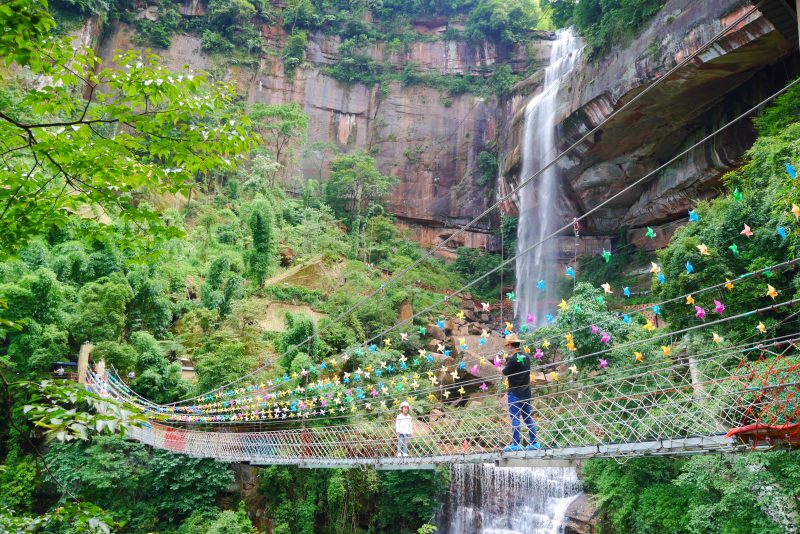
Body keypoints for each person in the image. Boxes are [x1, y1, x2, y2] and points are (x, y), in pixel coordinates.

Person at [501, 334, 540, 452]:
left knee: (515, 418)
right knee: (527, 417)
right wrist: (507, 361)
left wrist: (502, 366)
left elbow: (504, 373)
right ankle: (534, 443)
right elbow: (517, 363)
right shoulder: (526, 357)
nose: (507, 348)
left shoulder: (512, 360)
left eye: (508, 345)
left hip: (515, 393)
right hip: (526, 392)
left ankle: (516, 444)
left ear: (511, 345)